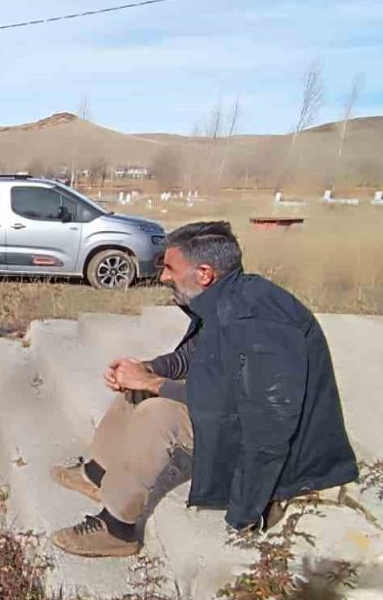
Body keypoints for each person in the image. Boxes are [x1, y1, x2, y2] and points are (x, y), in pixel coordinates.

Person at [49, 221, 359, 558]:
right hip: (237, 410)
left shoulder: (260, 323)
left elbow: (267, 425)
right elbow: (195, 356)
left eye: (170, 268)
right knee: (138, 388)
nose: (164, 277)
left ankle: (116, 529)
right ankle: (97, 476)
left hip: (290, 458)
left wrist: (245, 511)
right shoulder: (225, 298)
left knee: (158, 413)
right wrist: (149, 370)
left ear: (205, 273)